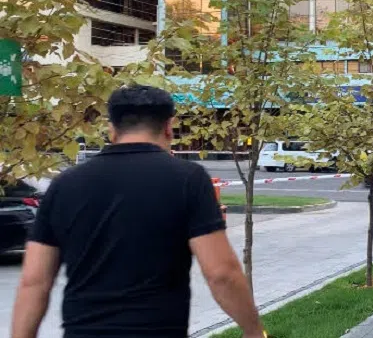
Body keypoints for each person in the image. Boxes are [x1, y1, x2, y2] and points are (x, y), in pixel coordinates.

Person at [11, 85, 266, 338]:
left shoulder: (64, 185)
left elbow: (34, 282)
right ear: (169, 127)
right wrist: (254, 331)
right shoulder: (187, 179)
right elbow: (221, 273)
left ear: (112, 129)